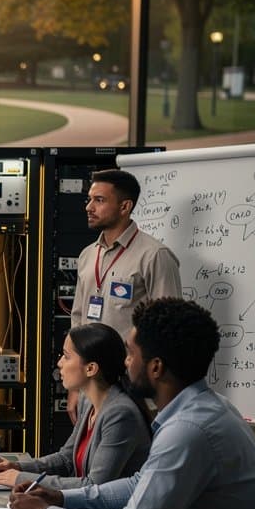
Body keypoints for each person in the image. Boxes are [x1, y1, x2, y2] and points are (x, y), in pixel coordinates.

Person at [9, 298, 255, 509]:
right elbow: (140, 482)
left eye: (130, 353)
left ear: (156, 367)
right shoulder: (205, 407)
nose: (125, 362)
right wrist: (61, 498)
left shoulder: (187, 430)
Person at [66, 169, 181, 422]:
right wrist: (75, 387)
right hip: (90, 382)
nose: (89, 207)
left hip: (132, 384)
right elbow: (78, 320)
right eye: (89, 199)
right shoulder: (88, 255)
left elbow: (168, 330)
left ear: (125, 206)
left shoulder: (154, 256)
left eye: (99, 200)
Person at [0, 323, 150, 490]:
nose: (59, 363)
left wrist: (20, 479)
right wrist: (16, 467)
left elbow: (94, 486)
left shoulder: (120, 414)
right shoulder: (87, 401)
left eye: (66, 356)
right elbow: (66, 458)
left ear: (91, 368)